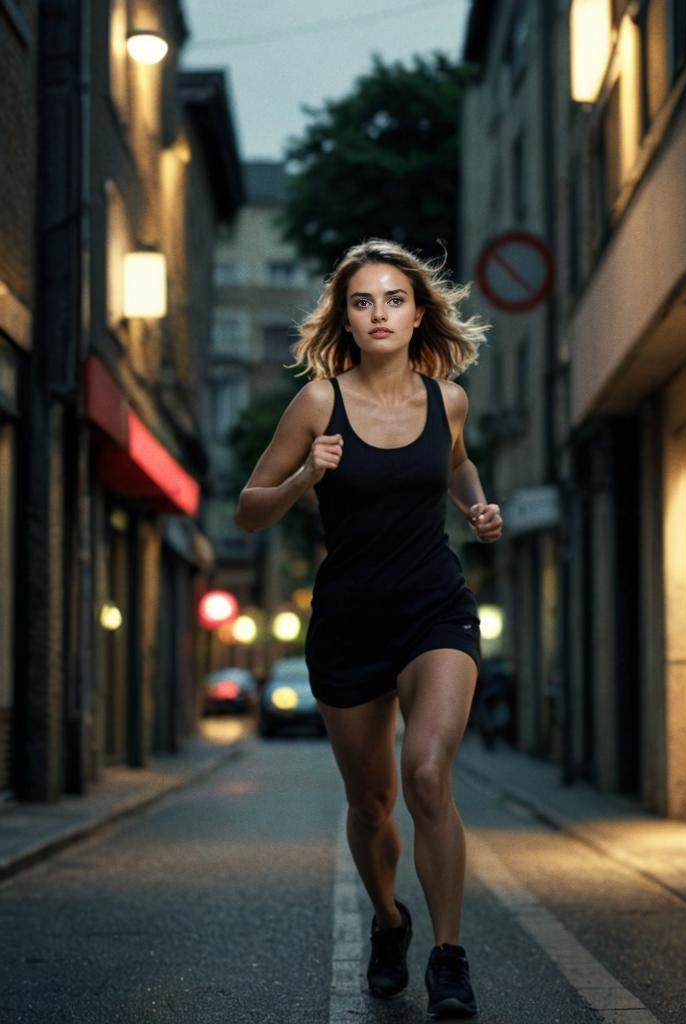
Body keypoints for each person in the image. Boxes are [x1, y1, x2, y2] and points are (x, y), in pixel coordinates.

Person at [235, 239, 502, 1019]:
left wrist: (476, 504)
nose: (379, 313)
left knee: (426, 774)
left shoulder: (448, 397)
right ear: (345, 320)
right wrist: (303, 477)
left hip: (434, 610)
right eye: (362, 302)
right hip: (350, 620)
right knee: (372, 801)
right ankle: (391, 922)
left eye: (393, 299)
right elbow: (250, 509)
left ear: (418, 313)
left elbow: (454, 462)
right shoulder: (319, 403)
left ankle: (448, 959)